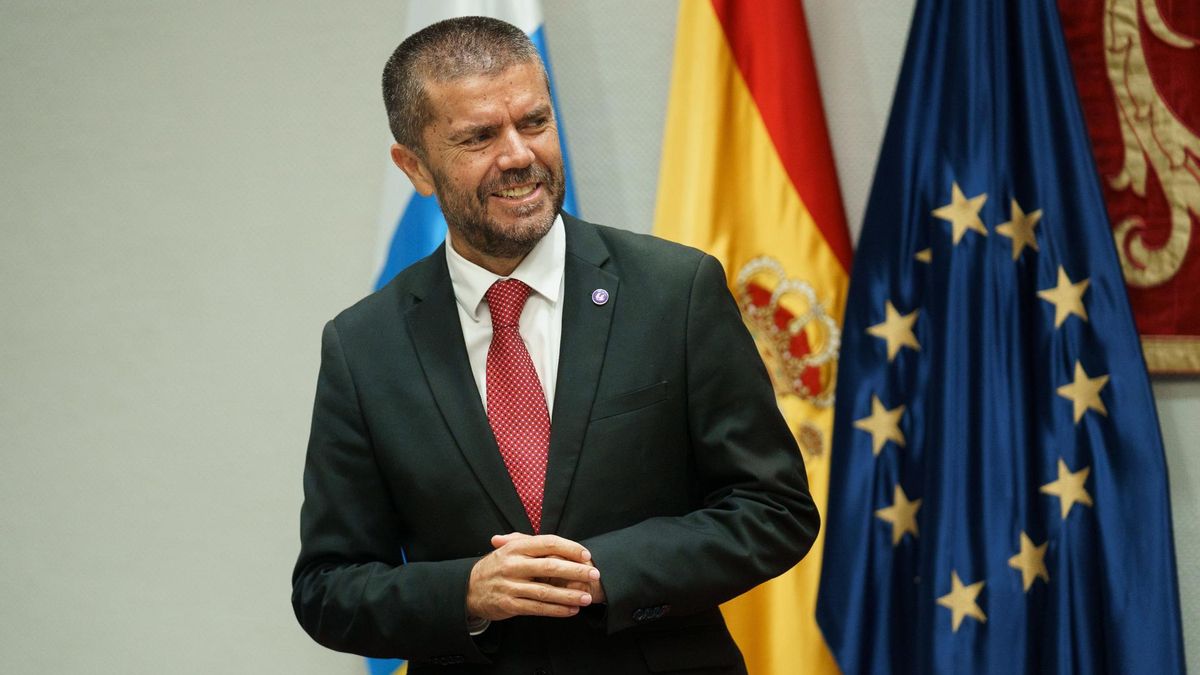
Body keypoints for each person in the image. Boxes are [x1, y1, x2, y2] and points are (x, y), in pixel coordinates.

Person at [292, 16, 818, 674]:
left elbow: (776, 509)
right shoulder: (364, 346)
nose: (518, 154)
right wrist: (466, 592)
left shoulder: (674, 292)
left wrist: (606, 573)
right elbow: (327, 588)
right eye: (479, 136)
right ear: (415, 167)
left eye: (534, 123)